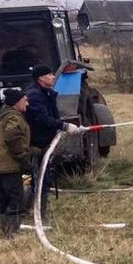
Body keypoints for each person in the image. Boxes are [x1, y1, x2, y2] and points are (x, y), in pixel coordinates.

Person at [24, 64, 82, 220]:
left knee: (43, 176)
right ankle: (39, 215)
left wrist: (58, 126)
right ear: (41, 79)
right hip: (38, 142)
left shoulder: (46, 93)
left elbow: (51, 116)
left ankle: (30, 207)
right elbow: (43, 119)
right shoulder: (35, 96)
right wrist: (64, 126)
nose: (53, 77)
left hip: (45, 140)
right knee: (41, 177)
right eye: (49, 75)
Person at [0, 87, 35, 237]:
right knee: (14, 200)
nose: (27, 104)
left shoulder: (3, 118)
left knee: (3, 201)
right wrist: (23, 158)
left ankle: (6, 231)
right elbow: (12, 138)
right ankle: (12, 233)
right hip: (10, 166)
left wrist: (35, 151)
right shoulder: (14, 118)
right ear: (17, 102)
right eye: (25, 100)